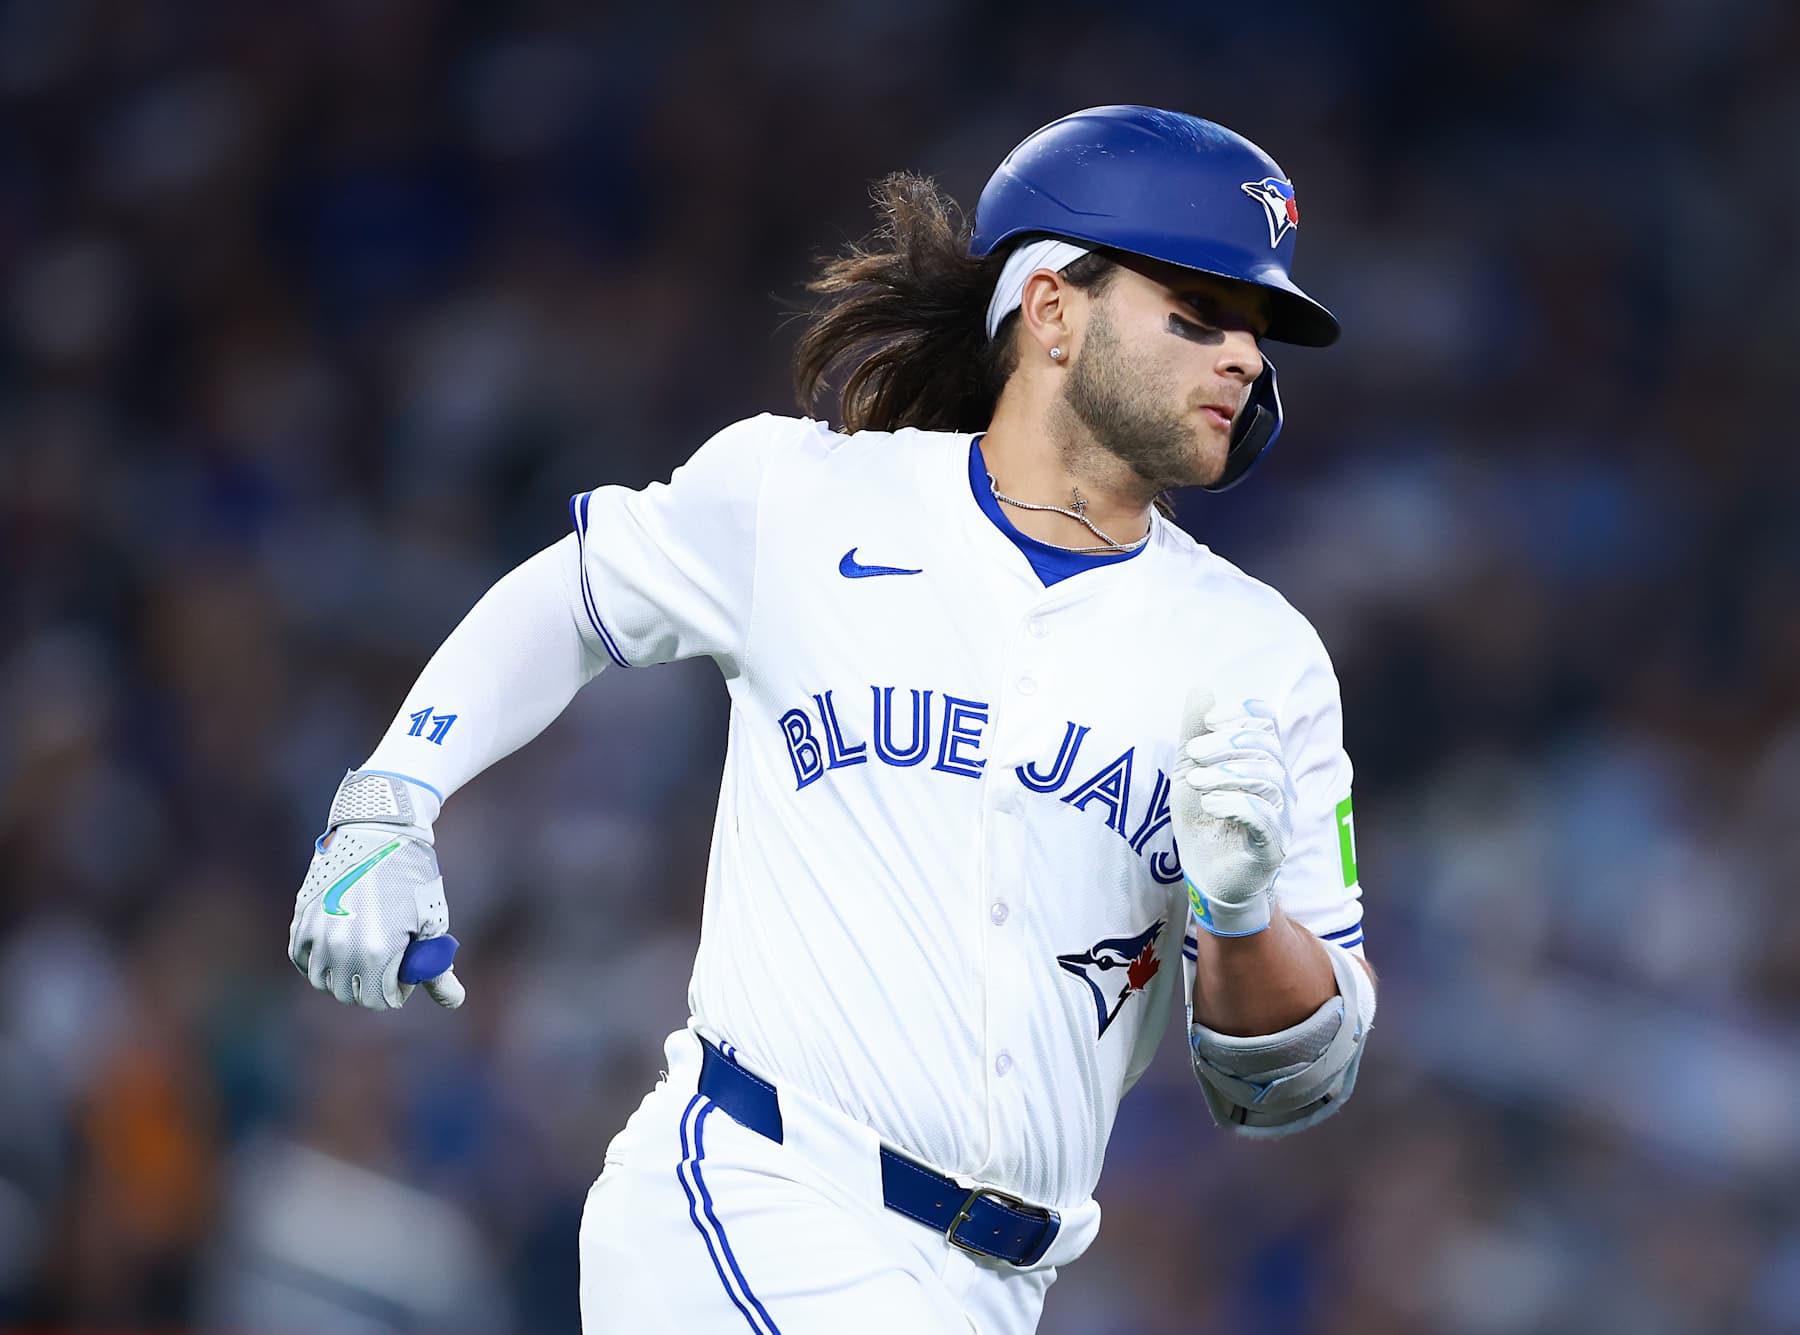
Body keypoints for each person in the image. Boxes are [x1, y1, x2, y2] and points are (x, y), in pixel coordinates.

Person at [287, 104, 1376, 1334]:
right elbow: (576, 598)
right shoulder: (809, 497)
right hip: (748, 1193)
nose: (1243, 356)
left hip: (998, 1287)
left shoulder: (1261, 656)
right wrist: (392, 793)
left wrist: (1239, 915)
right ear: (1051, 311)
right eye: (1199, 313)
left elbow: (1285, 1084)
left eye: (1255, 330)